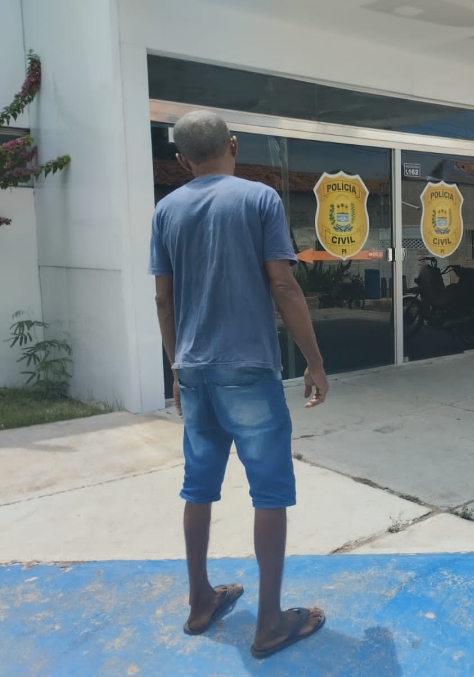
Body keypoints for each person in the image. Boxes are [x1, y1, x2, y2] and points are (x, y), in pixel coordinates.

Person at [149, 110, 330, 659]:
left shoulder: (165, 210)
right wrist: (314, 361)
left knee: (198, 488)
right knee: (269, 493)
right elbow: (284, 285)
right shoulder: (259, 199)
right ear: (233, 144)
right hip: (249, 368)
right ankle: (269, 623)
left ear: (182, 161)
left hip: (195, 370)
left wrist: (177, 367)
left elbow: (163, 298)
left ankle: (200, 601)